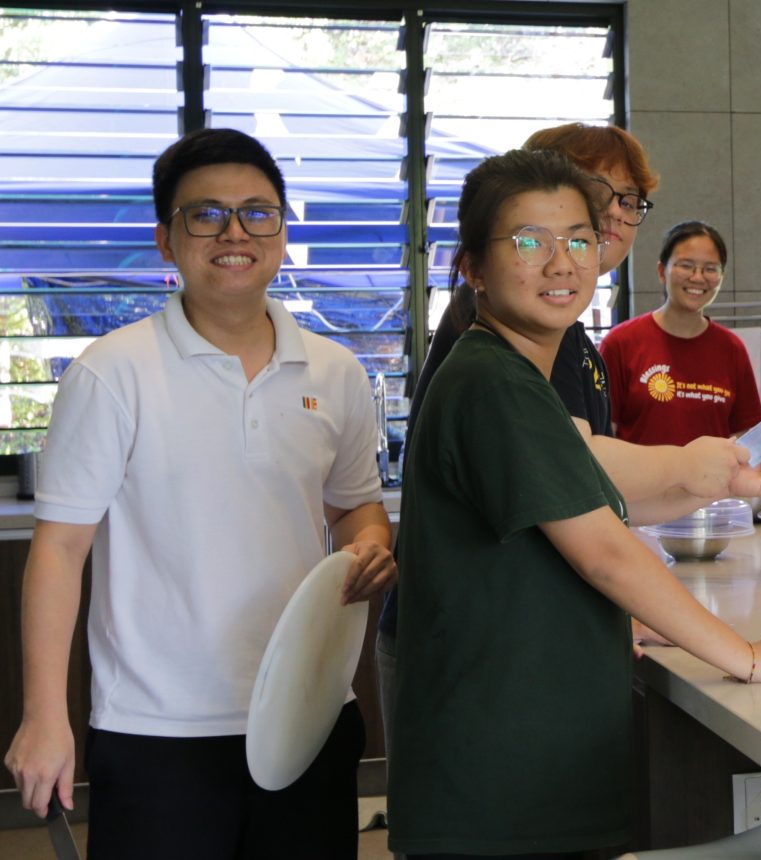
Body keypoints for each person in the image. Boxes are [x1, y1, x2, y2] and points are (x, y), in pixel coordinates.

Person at [386, 149, 761, 857]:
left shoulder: (518, 374)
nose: (561, 263)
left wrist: (720, 481)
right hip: (500, 780)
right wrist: (750, 656)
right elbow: (604, 552)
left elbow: (588, 506)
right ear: (473, 267)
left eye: (578, 240)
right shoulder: (494, 384)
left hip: (529, 761)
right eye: (529, 242)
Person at [3, 128, 395, 857]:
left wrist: (370, 544)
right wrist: (44, 715)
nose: (234, 232)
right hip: (157, 731)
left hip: (307, 711)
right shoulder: (112, 372)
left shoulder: (335, 370)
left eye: (258, 213)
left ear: (281, 233)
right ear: (166, 239)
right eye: (206, 214)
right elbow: (60, 550)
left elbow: (353, 505)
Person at [600, 220, 761, 445]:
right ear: (662, 271)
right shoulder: (620, 343)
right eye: (686, 266)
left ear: (721, 277)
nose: (697, 277)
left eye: (710, 269)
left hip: (713, 471)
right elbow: (604, 435)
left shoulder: (732, 349)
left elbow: (746, 434)